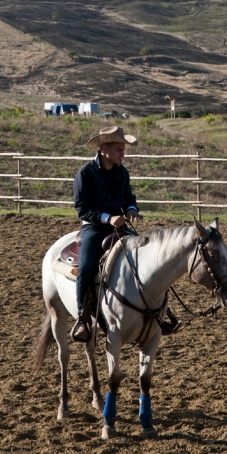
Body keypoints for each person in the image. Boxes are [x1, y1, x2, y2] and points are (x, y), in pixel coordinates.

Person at [71, 125, 143, 341]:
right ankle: (83, 317)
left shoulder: (122, 172)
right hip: (93, 227)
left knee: (143, 254)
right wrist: (107, 217)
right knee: (85, 267)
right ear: (105, 149)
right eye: (120, 150)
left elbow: (129, 197)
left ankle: (156, 309)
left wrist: (131, 209)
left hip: (119, 225)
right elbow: (82, 207)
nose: (123, 154)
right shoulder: (85, 173)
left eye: (123, 150)